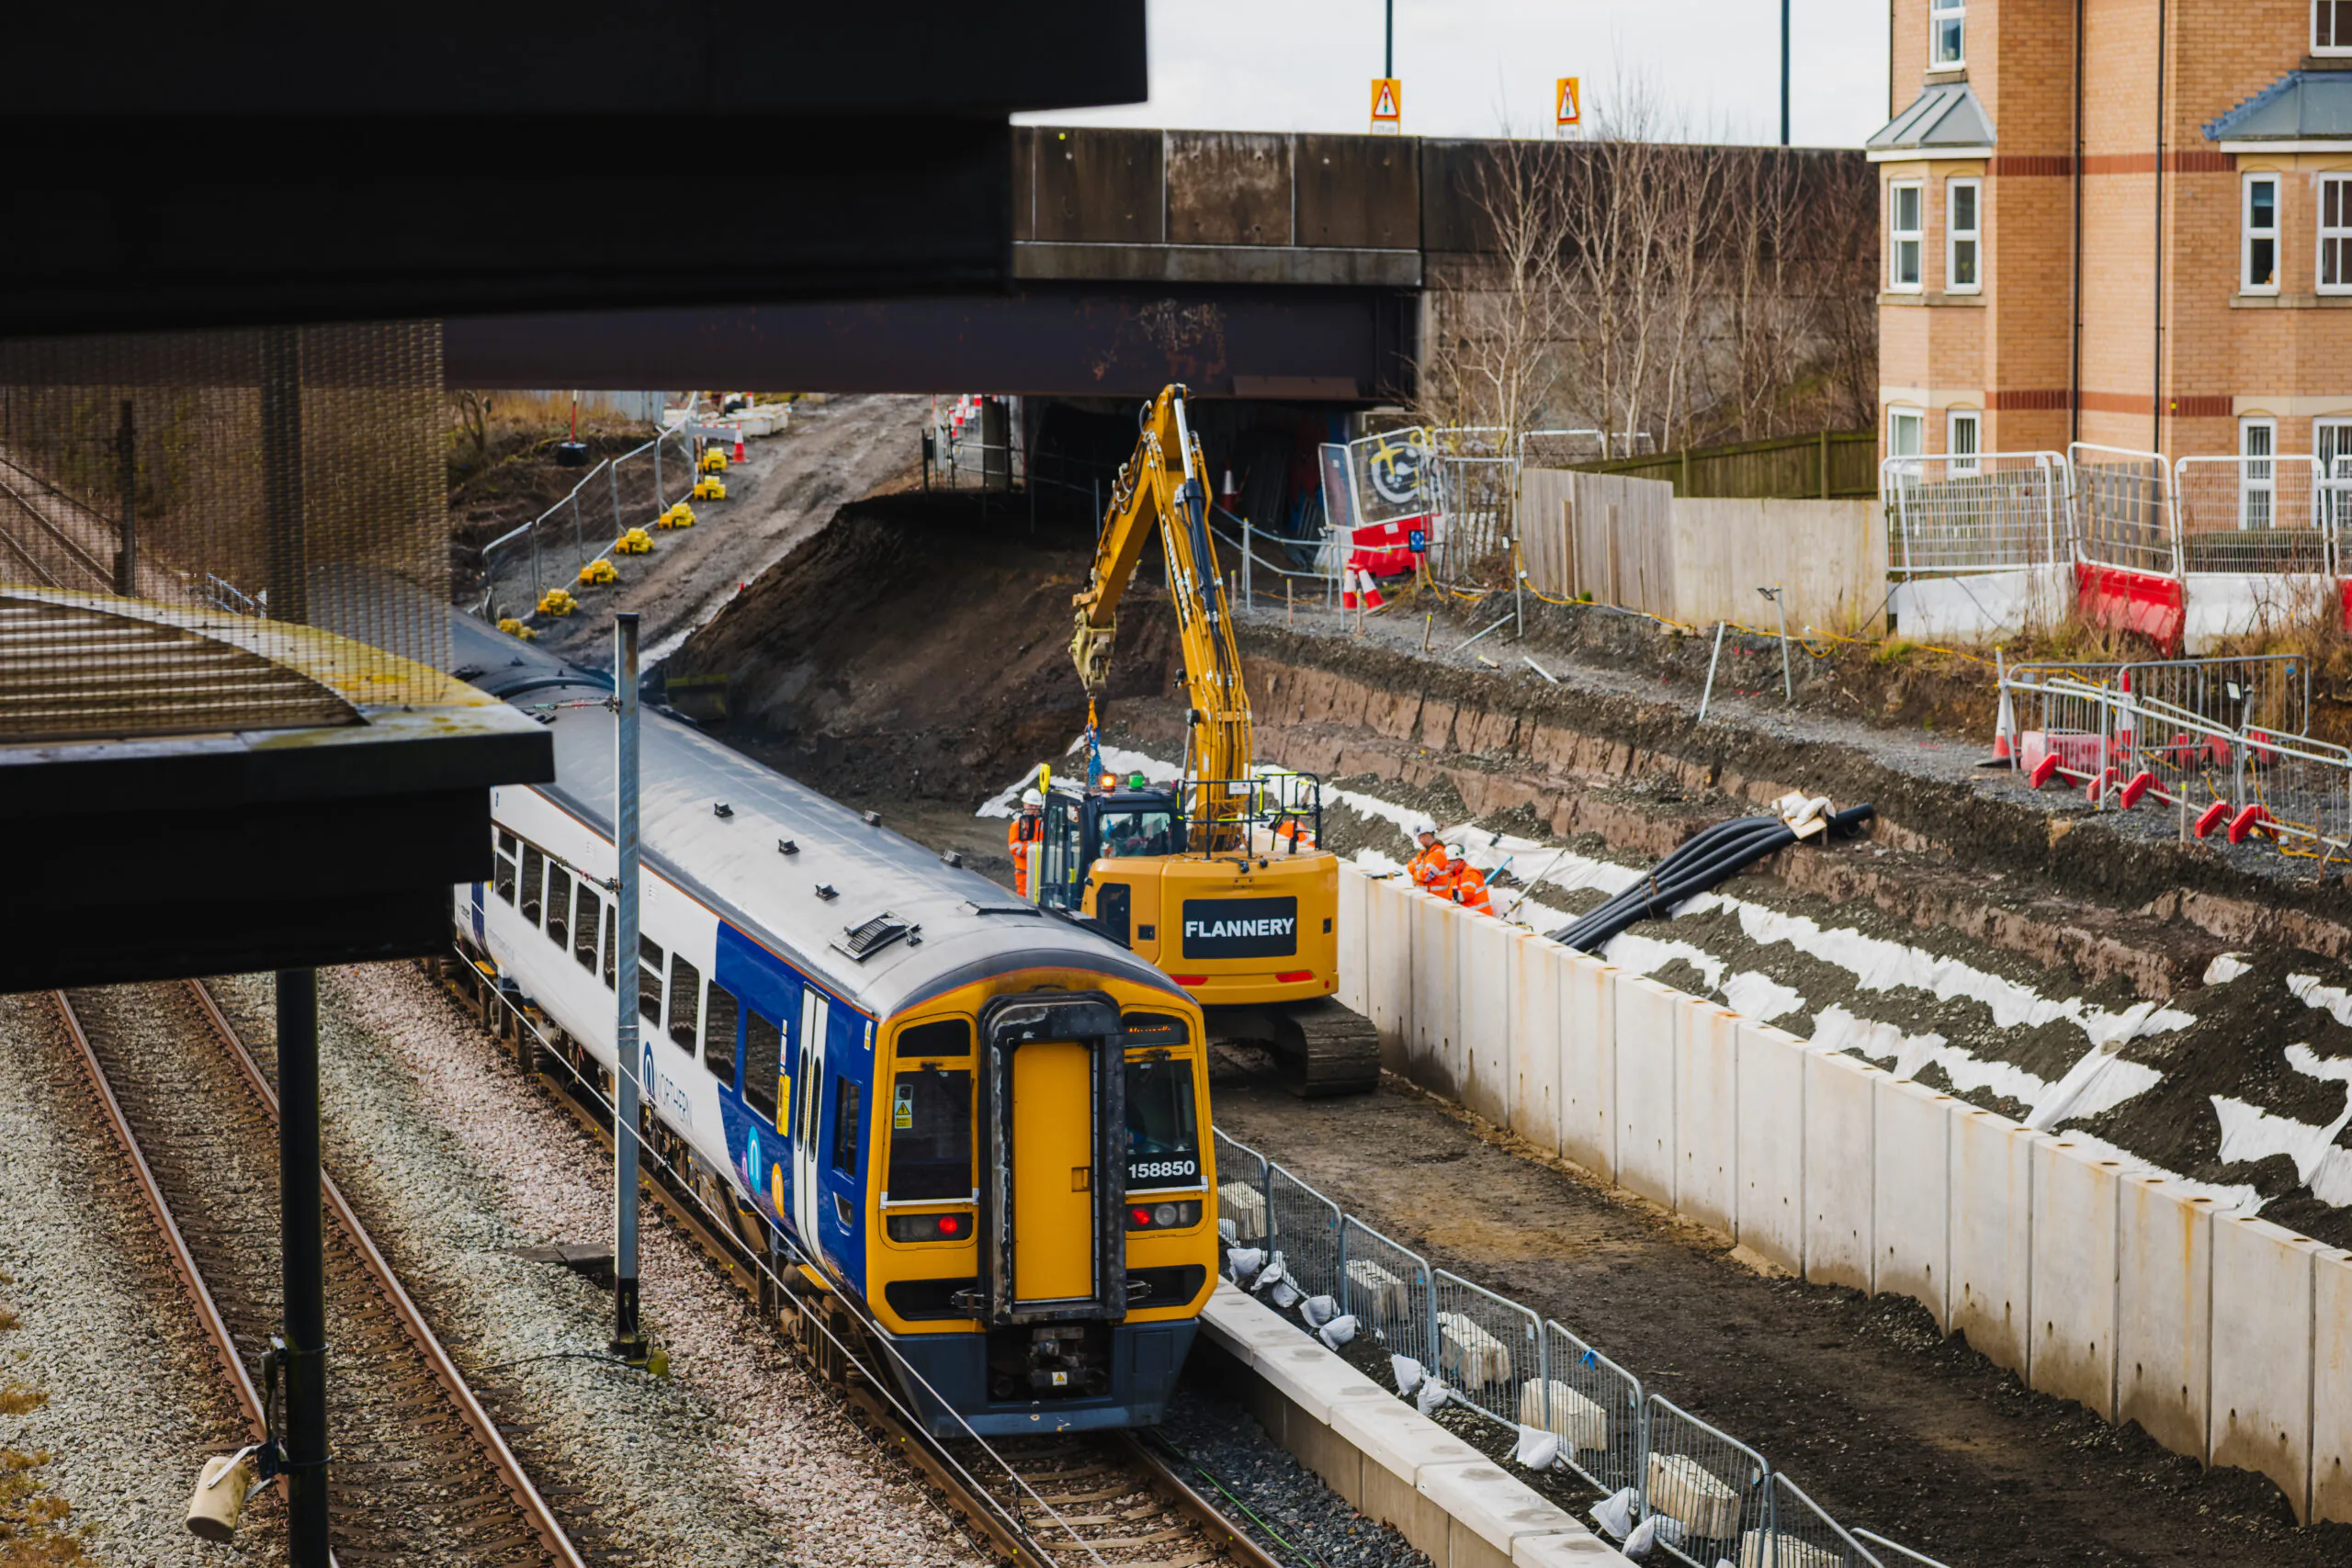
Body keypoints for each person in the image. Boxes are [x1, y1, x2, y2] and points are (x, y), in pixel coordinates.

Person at [1008, 788, 1045, 898]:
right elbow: (1014, 848)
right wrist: (1032, 849)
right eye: (1031, 805)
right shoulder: (1017, 825)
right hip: (1024, 873)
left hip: (1039, 871)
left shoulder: (1041, 825)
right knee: (1024, 899)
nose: (1034, 809)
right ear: (1024, 804)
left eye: (1036, 806)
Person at [1435, 844, 1493, 915]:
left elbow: (1467, 894)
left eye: (1448, 862)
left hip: (1479, 916)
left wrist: (1450, 898)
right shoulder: (1456, 875)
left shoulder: (1469, 873)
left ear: (1456, 861)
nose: (1446, 866)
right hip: (1470, 916)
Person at [1405, 817, 1449, 889]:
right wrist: (1417, 867)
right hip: (1427, 897)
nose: (1419, 840)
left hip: (1436, 898)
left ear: (1427, 835)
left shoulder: (1438, 854)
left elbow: (1426, 876)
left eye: (1420, 837)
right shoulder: (1425, 853)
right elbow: (1410, 865)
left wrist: (1415, 874)